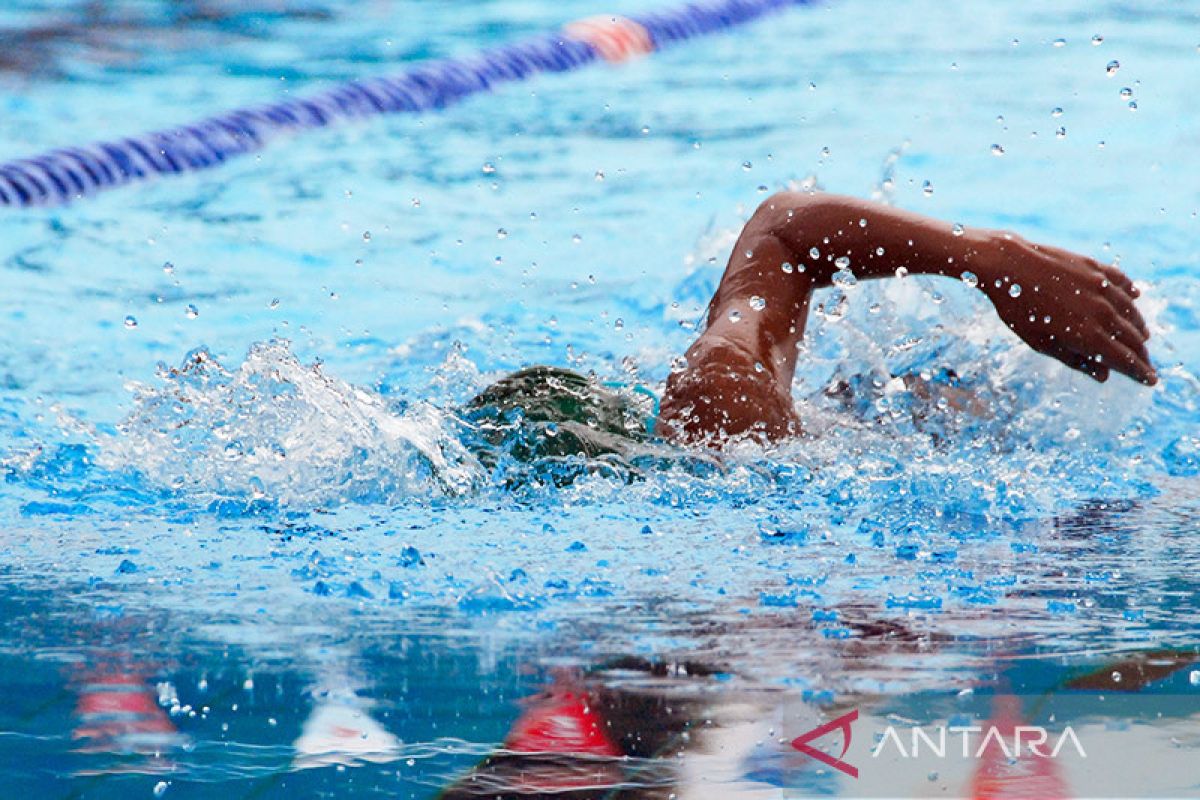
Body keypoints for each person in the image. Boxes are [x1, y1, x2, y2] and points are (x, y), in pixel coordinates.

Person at [463, 192, 1154, 460]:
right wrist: (986, 257)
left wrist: (995, 261)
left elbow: (789, 230)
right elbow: (782, 232)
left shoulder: (717, 406)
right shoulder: (718, 414)